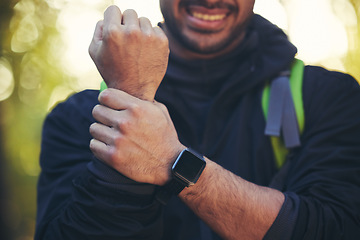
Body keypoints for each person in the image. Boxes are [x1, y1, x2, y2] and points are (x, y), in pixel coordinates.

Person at [35, 0, 360, 239]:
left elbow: (337, 228)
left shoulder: (329, 97)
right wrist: (130, 97)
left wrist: (172, 160)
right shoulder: (74, 118)